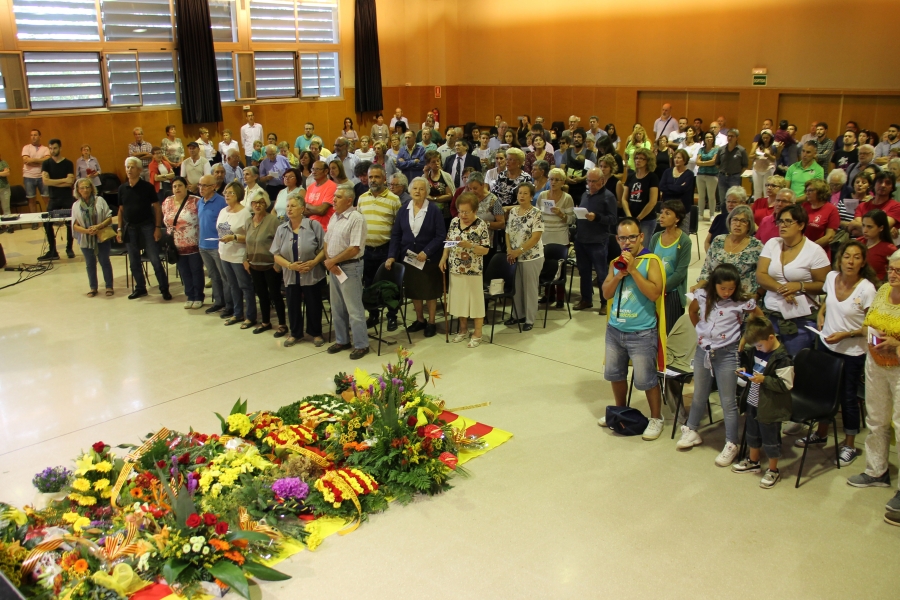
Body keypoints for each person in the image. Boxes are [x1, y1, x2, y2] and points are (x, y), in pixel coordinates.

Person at [800, 240, 877, 466]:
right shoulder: (832, 277)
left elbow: (870, 328)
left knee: (847, 397)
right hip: (827, 344)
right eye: (846, 256)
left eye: (855, 257)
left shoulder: (867, 289)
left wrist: (846, 334)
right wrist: (822, 314)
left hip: (851, 351)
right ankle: (821, 433)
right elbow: (827, 301)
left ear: (862, 262)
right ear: (840, 259)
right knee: (824, 392)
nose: (850, 261)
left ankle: (850, 445)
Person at [678, 264, 762, 464]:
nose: (727, 293)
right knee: (699, 394)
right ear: (714, 285)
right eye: (722, 288)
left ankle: (732, 443)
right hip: (703, 351)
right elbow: (692, 311)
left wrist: (745, 338)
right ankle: (692, 430)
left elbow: (760, 318)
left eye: (731, 289)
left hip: (727, 353)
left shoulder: (742, 302)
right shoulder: (702, 296)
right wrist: (700, 328)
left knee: (728, 401)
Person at [599, 218, 666, 439]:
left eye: (632, 237)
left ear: (641, 237)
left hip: (642, 332)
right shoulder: (614, 263)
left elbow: (654, 293)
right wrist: (619, 274)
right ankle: (620, 412)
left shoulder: (651, 261)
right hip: (615, 330)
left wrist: (634, 270)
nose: (627, 242)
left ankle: (656, 418)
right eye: (623, 238)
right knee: (616, 375)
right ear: (617, 240)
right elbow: (606, 293)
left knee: (646, 380)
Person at [846, 250, 900, 514]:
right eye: (891, 269)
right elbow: (869, 322)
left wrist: (898, 344)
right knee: (876, 420)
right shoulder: (882, 291)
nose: (892, 274)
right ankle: (876, 471)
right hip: (876, 363)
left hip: (899, 368)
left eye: (898, 271)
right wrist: (874, 333)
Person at [756, 204, 831, 355]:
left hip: (800, 319)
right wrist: (781, 288)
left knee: (794, 364)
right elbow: (761, 275)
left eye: (788, 222)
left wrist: (799, 285)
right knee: (767, 364)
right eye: (780, 221)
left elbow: (824, 285)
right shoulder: (772, 244)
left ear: (801, 225)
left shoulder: (815, 251)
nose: (782, 225)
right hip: (771, 314)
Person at [731, 316, 795, 488]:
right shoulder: (757, 351)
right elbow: (752, 367)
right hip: (754, 399)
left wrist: (764, 380)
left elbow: (786, 384)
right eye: (755, 346)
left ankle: (773, 469)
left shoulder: (783, 358)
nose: (758, 348)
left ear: (771, 338)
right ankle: (753, 461)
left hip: (771, 405)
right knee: (752, 431)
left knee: (770, 437)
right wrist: (745, 371)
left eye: (760, 345)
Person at [386, 177, 446, 337]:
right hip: (409, 258)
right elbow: (396, 235)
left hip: (428, 259)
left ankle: (432, 322)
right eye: (415, 189)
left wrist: (426, 251)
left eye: (421, 189)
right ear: (410, 191)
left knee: (430, 291)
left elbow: (441, 235)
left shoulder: (434, 210)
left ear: (427, 192)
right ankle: (420, 320)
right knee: (414, 291)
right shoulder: (403, 209)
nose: (418, 192)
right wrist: (392, 255)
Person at [271, 196, 326, 347]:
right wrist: (290, 266)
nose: (289, 208)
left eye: (293, 206)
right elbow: (276, 255)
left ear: (302, 209)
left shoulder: (313, 225)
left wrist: (314, 262)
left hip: (312, 273)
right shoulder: (281, 229)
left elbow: (324, 249)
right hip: (291, 274)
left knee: (313, 304)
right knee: (293, 304)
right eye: (288, 206)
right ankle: (295, 333)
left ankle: (316, 333)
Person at [324, 183, 370, 359]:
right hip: (334, 267)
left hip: (350, 267)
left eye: (338, 197)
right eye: (334, 196)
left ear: (349, 200)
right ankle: (342, 340)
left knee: (354, 308)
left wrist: (333, 261)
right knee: (336, 307)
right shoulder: (334, 217)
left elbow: (354, 248)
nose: (333, 199)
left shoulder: (356, 218)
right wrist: (330, 262)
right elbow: (327, 241)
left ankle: (361, 344)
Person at [441, 192, 491, 347]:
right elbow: (448, 242)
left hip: (473, 270)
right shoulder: (454, 222)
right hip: (455, 268)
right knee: (459, 301)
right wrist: (443, 258)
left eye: (466, 212)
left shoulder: (481, 224)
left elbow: (486, 250)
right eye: (460, 211)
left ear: (475, 210)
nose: (462, 215)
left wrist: (471, 246)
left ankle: (477, 333)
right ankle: (462, 330)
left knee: (475, 302)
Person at [117, 157, 170, 300]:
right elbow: (121, 210)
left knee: (154, 259)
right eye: (127, 167)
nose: (129, 169)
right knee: (134, 261)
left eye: (132, 167)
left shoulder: (147, 187)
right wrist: (119, 229)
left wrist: (158, 227)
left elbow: (157, 208)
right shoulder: (122, 188)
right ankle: (140, 288)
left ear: (140, 170)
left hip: (147, 226)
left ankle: (164, 288)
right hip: (130, 228)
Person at [356, 163, 401, 330]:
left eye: (376, 177)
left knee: (389, 286)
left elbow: (398, 230)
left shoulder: (394, 200)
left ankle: (392, 317)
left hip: (385, 249)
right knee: (369, 285)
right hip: (366, 250)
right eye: (370, 177)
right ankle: (373, 315)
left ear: (384, 178)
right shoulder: (362, 198)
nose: (373, 180)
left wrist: (393, 254)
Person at [572, 164, 617, 314]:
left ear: (602, 181)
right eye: (588, 181)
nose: (590, 184)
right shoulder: (585, 195)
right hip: (581, 239)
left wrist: (596, 217)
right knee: (583, 272)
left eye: (593, 181)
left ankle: (605, 302)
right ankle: (586, 299)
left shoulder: (608, 197)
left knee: (601, 273)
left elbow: (612, 219)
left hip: (598, 241)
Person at [693, 204, 762, 296]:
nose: (738, 224)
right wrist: (699, 285)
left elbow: (764, 275)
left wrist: (757, 296)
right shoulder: (718, 240)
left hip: (742, 298)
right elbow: (707, 269)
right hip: (716, 294)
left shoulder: (757, 246)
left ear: (749, 225)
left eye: (743, 221)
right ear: (729, 222)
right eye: (735, 219)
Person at [243, 190, 285, 335]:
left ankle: (282, 324)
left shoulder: (273, 220)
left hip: (270, 265)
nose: (258, 205)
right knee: (261, 295)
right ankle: (265, 322)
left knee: (275, 295)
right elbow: (246, 243)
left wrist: (278, 264)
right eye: (255, 202)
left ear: (266, 204)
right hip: (254, 265)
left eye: (261, 202)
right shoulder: (249, 221)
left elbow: (280, 243)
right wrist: (245, 259)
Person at [505, 183, 545, 331]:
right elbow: (507, 231)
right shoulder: (513, 211)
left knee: (530, 289)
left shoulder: (536, 213)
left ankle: (529, 319)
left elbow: (535, 237)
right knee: (517, 288)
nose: (521, 196)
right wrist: (509, 249)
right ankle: (517, 315)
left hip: (531, 256)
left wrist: (519, 250)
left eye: (525, 193)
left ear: (531, 196)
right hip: (514, 256)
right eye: (520, 193)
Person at [217, 181, 255, 328]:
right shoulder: (223, 211)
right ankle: (237, 313)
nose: (227, 195)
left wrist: (233, 238)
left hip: (239, 255)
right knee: (232, 285)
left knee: (245, 286)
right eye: (226, 193)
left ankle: (250, 316)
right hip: (224, 253)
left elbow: (251, 237)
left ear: (238, 194)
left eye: (231, 193)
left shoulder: (245, 213)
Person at [649, 200, 692, 333]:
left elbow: (680, 273)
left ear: (677, 218)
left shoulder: (684, 241)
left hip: (672, 292)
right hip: (654, 290)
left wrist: (662, 288)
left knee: (669, 333)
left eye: (667, 213)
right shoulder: (656, 237)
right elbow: (648, 262)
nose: (661, 216)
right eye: (661, 212)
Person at [162, 177, 203, 308]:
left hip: (193, 243)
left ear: (186, 187)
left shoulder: (195, 201)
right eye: (174, 186)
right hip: (176, 245)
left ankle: (198, 296)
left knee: (196, 270)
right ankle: (190, 296)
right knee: (184, 271)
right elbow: (166, 220)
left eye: (180, 185)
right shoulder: (167, 201)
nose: (177, 188)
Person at [70, 178, 114, 297]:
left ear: (92, 188)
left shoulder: (100, 200)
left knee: (104, 261)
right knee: (90, 264)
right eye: (82, 188)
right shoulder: (76, 205)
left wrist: (98, 227)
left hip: (101, 236)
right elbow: (74, 225)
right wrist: (87, 231)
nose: (85, 190)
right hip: (85, 239)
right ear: (78, 190)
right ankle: (93, 287)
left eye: (87, 187)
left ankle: (109, 286)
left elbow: (109, 218)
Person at [196, 175, 232, 316]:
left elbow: (226, 225)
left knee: (224, 276)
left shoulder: (221, 202)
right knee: (213, 276)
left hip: (217, 245)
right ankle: (219, 302)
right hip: (203, 245)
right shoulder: (200, 202)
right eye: (200, 185)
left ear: (213, 187)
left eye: (204, 185)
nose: (201, 188)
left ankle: (230, 305)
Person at [39, 139, 75, 260]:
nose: (52, 150)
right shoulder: (46, 164)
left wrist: (53, 182)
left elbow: (70, 182)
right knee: (47, 222)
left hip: (67, 197)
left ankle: (69, 248)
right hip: (53, 197)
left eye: (54, 148)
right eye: (50, 148)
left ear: (60, 148)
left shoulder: (68, 163)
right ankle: (52, 250)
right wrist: (63, 180)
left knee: (70, 222)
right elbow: (45, 181)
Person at [621, 147, 659, 241]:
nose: (638, 160)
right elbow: (624, 199)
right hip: (631, 218)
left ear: (648, 161)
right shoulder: (630, 177)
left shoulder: (652, 177)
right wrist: (629, 216)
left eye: (641, 158)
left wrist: (639, 218)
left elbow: (652, 202)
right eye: (636, 158)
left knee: (643, 247)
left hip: (646, 219)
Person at [658, 149, 695, 234]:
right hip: (667, 207)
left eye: (679, 158)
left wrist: (669, 187)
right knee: (666, 233)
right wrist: (677, 188)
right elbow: (661, 186)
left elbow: (683, 189)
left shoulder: (689, 174)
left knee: (682, 234)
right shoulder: (667, 171)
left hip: (683, 209)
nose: (676, 160)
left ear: (684, 160)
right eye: (675, 157)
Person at [802, 178, 840, 259]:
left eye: (810, 190)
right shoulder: (804, 206)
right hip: (801, 250)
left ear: (820, 192)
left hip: (819, 252)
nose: (807, 193)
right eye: (806, 190)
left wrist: (810, 248)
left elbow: (829, 236)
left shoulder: (831, 209)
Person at [859, 209, 897, 282]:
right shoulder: (857, 242)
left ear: (881, 228)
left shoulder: (889, 249)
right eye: (863, 225)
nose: (865, 230)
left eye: (869, 227)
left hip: (877, 287)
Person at [716, 129, 748, 213]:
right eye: (728, 136)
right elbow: (717, 163)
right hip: (722, 177)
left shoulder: (741, 150)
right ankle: (724, 217)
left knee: (734, 199)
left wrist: (737, 173)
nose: (729, 138)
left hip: (734, 177)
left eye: (732, 136)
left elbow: (745, 165)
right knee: (723, 200)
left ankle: (734, 216)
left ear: (737, 138)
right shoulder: (721, 149)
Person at [422, 150, 455, 230]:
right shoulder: (425, 176)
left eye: (438, 161)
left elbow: (450, 195)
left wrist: (434, 199)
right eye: (433, 162)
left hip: (445, 214)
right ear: (428, 164)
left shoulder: (446, 176)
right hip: (429, 213)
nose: (436, 163)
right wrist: (426, 174)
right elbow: (423, 193)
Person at [22, 129, 50, 215]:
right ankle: (34, 221)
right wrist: (40, 161)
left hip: (42, 176)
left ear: (40, 137)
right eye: (31, 135)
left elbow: (47, 160)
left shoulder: (45, 148)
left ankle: (50, 218)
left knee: (46, 198)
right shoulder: (26, 147)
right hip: (29, 176)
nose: (33, 137)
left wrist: (32, 160)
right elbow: (25, 160)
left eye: (35, 135)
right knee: (31, 199)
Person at [304, 161, 337, 231]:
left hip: (325, 229)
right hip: (310, 228)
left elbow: (321, 210)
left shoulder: (332, 186)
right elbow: (303, 211)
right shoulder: (310, 187)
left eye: (317, 169)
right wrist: (315, 210)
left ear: (326, 171)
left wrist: (308, 206)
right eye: (312, 169)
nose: (314, 172)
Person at [695, 132, 719, 221]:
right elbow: (697, 162)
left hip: (712, 175)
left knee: (711, 196)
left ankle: (712, 214)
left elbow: (714, 161)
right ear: (704, 139)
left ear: (713, 138)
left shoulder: (716, 149)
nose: (709, 139)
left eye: (710, 137)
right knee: (701, 196)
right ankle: (700, 213)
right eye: (707, 137)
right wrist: (707, 163)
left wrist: (703, 163)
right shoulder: (701, 149)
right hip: (700, 174)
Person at [750, 129, 778, 199]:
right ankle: (757, 207)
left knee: (767, 190)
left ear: (770, 138)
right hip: (757, 169)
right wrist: (756, 155)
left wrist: (768, 155)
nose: (765, 139)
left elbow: (774, 158)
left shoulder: (773, 146)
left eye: (767, 138)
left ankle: (766, 207)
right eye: (763, 138)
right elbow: (750, 156)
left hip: (768, 169)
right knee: (757, 190)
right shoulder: (757, 145)